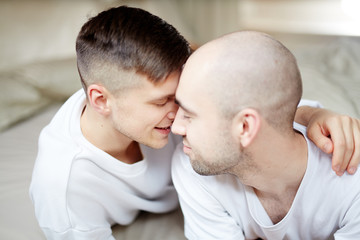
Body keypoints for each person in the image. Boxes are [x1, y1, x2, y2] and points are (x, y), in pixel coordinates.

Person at [29, 5, 359, 240]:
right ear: (101, 101)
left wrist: (312, 113)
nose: (176, 121)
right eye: (163, 102)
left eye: (183, 101)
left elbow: (244, 94)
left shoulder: (171, 106)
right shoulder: (63, 189)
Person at [171, 31, 360, 239]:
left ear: (245, 127)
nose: (175, 128)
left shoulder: (352, 183)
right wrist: (312, 113)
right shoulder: (192, 165)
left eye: (189, 115)